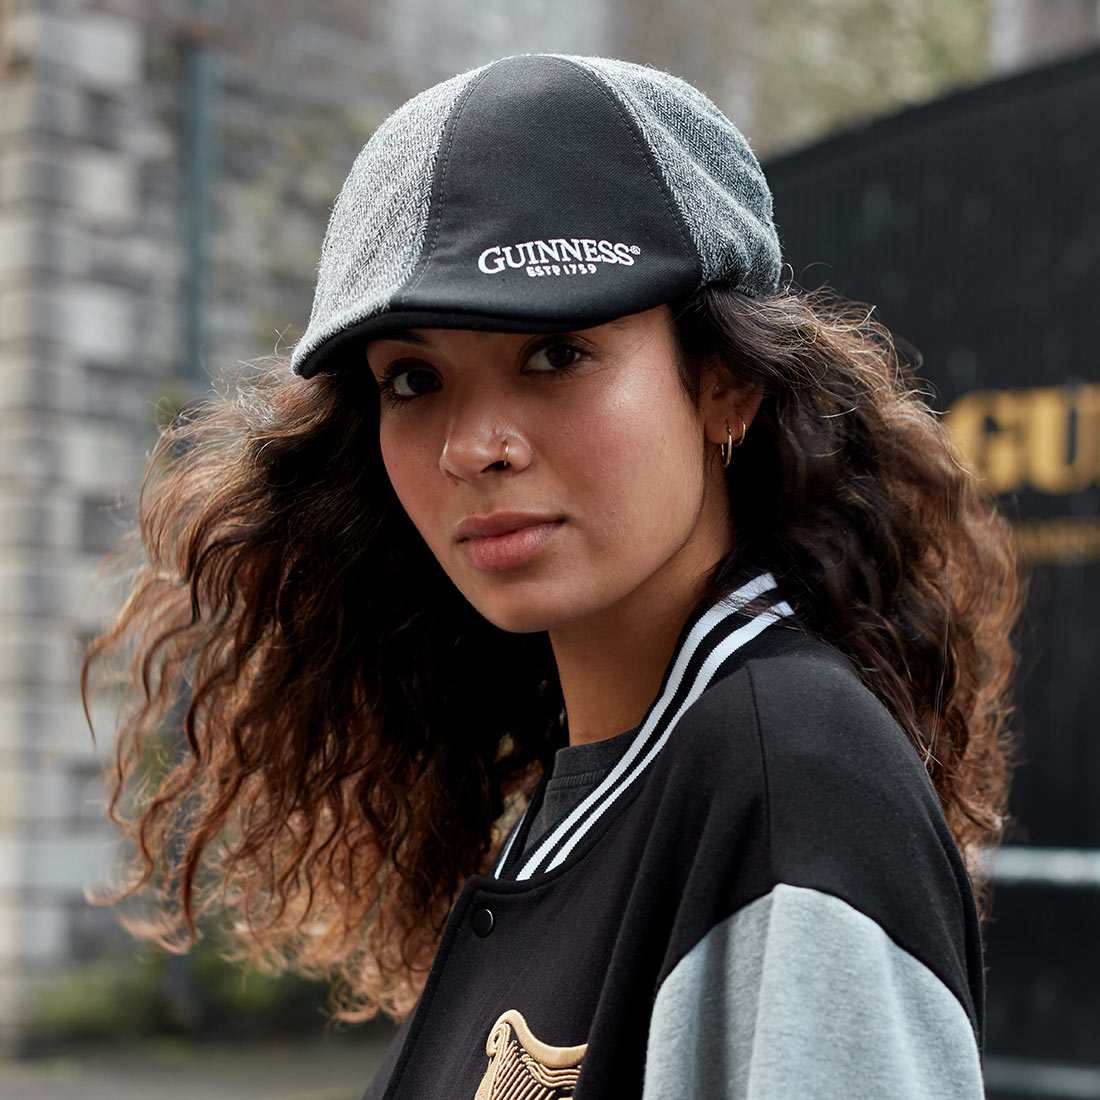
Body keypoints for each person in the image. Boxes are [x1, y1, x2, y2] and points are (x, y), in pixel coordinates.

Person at [84, 54, 1020, 1099]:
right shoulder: (605, 783)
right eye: (413, 377)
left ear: (724, 385)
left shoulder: (790, 780)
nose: (472, 444)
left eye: (556, 353)